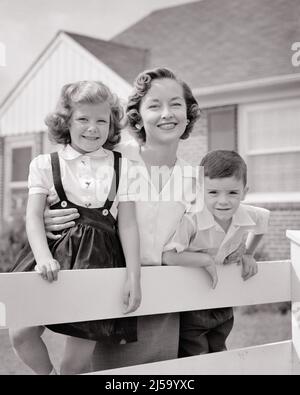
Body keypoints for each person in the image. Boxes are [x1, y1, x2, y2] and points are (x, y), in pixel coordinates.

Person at [43, 68, 203, 370]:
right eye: (154, 105)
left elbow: (204, 237)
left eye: (176, 104)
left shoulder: (194, 178)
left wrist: (240, 249)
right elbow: (58, 183)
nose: (166, 114)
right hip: (110, 294)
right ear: (138, 116)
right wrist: (45, 217)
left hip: (165, 303)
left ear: (189, 113)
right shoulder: (114, 156)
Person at [9, 81, 141, 375]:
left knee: (76, 361)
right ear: (66, 121)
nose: (92, 128)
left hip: (98, 262)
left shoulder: (123, 166)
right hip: (52, 256)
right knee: (20, 332)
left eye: (101, 121)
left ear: (111, 124)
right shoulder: (45, 164)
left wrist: (134, 277)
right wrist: (43, 257)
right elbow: (33, 217)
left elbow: (128, 225)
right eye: (83, 119)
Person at [162, 150, 270, 357]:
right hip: (191, 303)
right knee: (197, 356)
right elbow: (167, 256)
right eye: (213, 193)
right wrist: (204, 259)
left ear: (244, 192)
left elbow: (262, 222)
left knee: (220, 352)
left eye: (232, 193)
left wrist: (248, 253)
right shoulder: (191, 219)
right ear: (200, 190)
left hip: (222, 301)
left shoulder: (247, 213)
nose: (223, 201)